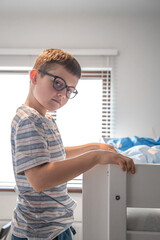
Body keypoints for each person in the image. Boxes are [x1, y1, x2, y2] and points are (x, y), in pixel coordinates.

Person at [11, 48, 135, 240]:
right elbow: (39, 179)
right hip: (40, 232)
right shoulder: (30, 120)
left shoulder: (45, 119)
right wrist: (95, 157)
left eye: (69, 90)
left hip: (55, 226)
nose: (63, 94)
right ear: (35, 76)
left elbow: (55, 154)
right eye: (58, 83)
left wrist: (92, 146)